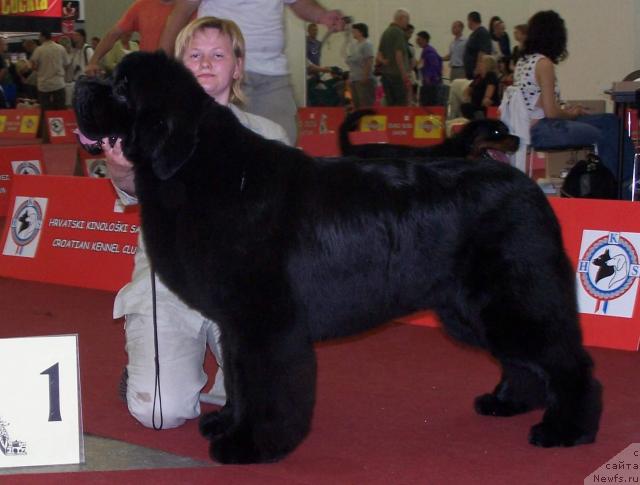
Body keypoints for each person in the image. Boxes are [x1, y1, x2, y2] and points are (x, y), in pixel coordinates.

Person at [104, 16, 291, 429]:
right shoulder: (150, 133)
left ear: (238, 67)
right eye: (195, 55)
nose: (206, 63)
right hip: (171, 283)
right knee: (160, 413)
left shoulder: (272, 137)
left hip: (240, 292)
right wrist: (119, 168)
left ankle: (225, 377)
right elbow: (134, 190)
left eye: (219, 54)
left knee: (269, 407)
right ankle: (153, 372)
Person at [158, 0, 345, 144]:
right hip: (223, 76)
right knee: (220, 144)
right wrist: (161, 63)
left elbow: (298, 2)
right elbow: (180, 12)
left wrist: (322, 16)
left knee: (283, 142)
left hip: (272, 74)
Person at [501, 10, 633, 188]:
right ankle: (623, 184)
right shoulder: (544, 64)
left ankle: (620, 182)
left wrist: (567, 110)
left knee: (609, 121)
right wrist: (572, 114)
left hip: (528, 127)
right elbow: (551, 112)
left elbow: (537, 102)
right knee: (607, 130)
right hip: (543, 129)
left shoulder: (523, 62)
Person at [85, 0, 177, 77]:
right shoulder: (142, 5)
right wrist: (93, 61)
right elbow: (113, 34)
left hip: (177, 75)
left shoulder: (188, 8)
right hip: (147, 76)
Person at [376, 9, 411, 106]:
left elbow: (379, 55)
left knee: (390, 104)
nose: (408, 22)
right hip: (397, 75)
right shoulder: (399, 32)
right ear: (401, 18)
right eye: (407, 19)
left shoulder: (386, 32)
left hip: (386, 75)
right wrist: (404, 74)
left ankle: (391, 121)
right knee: (401, 104)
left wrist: (384, 61)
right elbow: (398, 54)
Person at [30, 30, 70, 111]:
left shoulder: (39, 50)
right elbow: (67, 64)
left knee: (46, 111)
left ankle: (47, 123)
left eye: (40, 37)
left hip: (44, 85)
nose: (39, 39)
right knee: (60, 109)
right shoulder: (60, 48)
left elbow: (33, 66)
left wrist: (39, 69)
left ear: (43, 37)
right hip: (58, 83)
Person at [344, 22, 375, 108]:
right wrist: (350, 78)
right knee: (356, 104)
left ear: (361, 32)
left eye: (355, 31)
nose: (353, 33)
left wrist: (365, 76)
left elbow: (369, 61)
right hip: (355, 79)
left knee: (365, 103)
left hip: (363, 78)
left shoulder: (367, 44)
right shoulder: (355, 46)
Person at [461, 54, 499, 119]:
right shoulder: (478, 77)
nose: (478, 64)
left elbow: (491, 86)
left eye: (481, 62)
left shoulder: (490, 75)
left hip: (487, 105)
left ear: (487, 64)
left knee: (470, 107)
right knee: (465, 106)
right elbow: (469, 88)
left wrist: (487, 97)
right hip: (476, 104)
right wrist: (466, 96)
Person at [415, 30, 442, 107]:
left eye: (418, 39)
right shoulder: (426, 51)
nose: (417, 41)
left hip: (430, 82)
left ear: (424, 39)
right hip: (428, 82)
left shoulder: (429, 52)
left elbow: (433, 66)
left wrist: (428, 77)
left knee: (429, 103)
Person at [463, 11, 492, 80]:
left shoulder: (481, 33)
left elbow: (482, 51)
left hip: (476, 72)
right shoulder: (474, 34)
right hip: (470, 71)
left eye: (468, 20)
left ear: (471, 20)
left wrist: (478, 68)